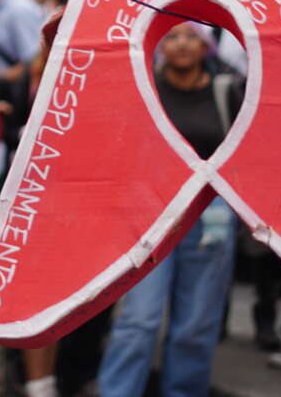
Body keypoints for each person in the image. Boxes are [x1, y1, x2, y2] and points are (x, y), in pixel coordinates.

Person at [98, 22, 240, 397]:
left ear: (206, 45)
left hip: (211, 216)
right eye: (172, 36)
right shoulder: (145, 89)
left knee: (196, 324)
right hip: (150, 215)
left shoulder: (228, 91)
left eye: (191, 36)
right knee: (139, 319)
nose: (181, 44)